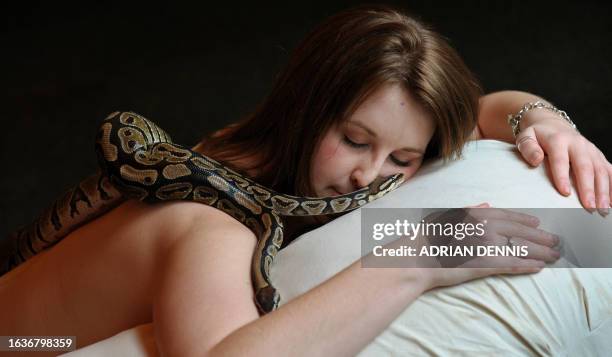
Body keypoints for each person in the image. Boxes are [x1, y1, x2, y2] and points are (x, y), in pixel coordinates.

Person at [0, 4, 610, 356]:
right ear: (305, 110)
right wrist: (415, 258)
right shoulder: (212, 218)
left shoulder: (286, 169)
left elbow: (488, 107)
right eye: (354, 139)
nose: (368, 175)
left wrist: (545, 121)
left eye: (403, 159)